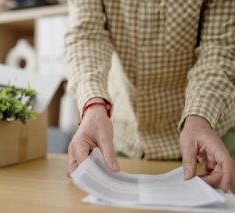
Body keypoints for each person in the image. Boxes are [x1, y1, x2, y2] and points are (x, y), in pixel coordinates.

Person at [64, 0, 235, 192]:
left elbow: (220, 49)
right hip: (123, 139)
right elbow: (86, 35)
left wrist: (200, 115)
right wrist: (92, 105)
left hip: (209, 141)